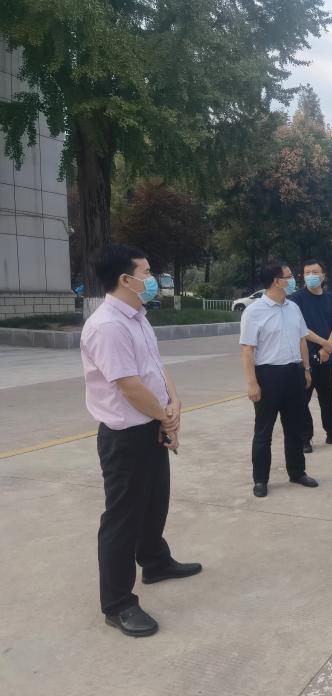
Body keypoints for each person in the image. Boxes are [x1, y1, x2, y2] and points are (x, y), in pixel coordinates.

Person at [80, 244, 201, 638]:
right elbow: (129, 385)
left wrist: (173, 403)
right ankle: (117, 604)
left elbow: (155, 367)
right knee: (123, 518)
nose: (152, 280)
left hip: (151, 423)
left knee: (154, 502)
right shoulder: (108, 326)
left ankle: (155, 561)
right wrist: (165, 417)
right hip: (125, 435)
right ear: (125, 279)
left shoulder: (137, 317)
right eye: (146, 273)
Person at [240, 262, 318, 498]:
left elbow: (302, 339)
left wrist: (306, 369)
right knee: (263, 431)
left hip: (294, 373)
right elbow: (247, 349)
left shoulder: (293, 308)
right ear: (276, 281)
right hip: (268, 376)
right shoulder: (254, 311)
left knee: (294, 427)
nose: (293, 280)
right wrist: (252, 382)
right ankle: (260, 479)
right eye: (289, 276)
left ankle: (297, 472)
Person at [289, 259, 332, 453]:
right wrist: (324, 343)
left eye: (315, 272)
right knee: (302, 401)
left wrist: (328, 348)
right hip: (304, 359)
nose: (311, 276)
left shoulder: (331, 298)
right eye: (307, 273)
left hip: (326, 358)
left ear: (323, 276)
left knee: (328, 399)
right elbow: (300, 328)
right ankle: (304, 438)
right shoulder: (296, 299)